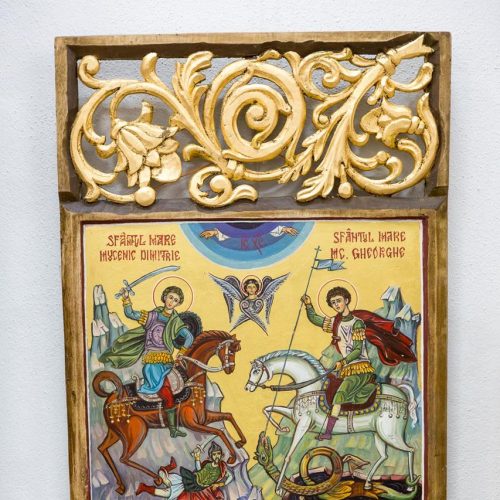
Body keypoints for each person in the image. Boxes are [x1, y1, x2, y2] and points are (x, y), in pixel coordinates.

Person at [302, 286, 417, 440]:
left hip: (360, 368)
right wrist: (308, 305)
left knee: (339, 396)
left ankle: (328, 433)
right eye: (333, 302)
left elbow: (357, 350)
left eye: (338, 301)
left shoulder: (357, 324)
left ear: (346, 300)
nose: (336, 305)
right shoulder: (336, 322)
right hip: (347, 368)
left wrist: (343, 361)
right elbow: (316, 319)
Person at [100, 286, 193, 438]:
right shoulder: (152, 316)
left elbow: (189, 337)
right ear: (165, 297)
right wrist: (126, 298)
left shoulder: (175, 321)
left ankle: (172, 426)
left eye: (176, 300)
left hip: (167, 362)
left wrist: (181, 352)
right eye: (170, 297)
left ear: (178, 303)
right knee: (166, 393)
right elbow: (130, 313)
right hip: (151, 362)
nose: (172, 302)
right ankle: (172, 429)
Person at [136, 442, 233, 499]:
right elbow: (199, 470)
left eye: (218, 454)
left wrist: (220, 484)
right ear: (211, 456)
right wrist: (197, 458)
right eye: (214, 454)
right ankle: (162, 474)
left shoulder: (222, 467)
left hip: (199, 489)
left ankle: (145, 487)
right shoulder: (207, 463)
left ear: (221, 455)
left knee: (167, 490)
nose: (216, 456)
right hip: (191, 480)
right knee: (167, 487)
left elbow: (230, 476)